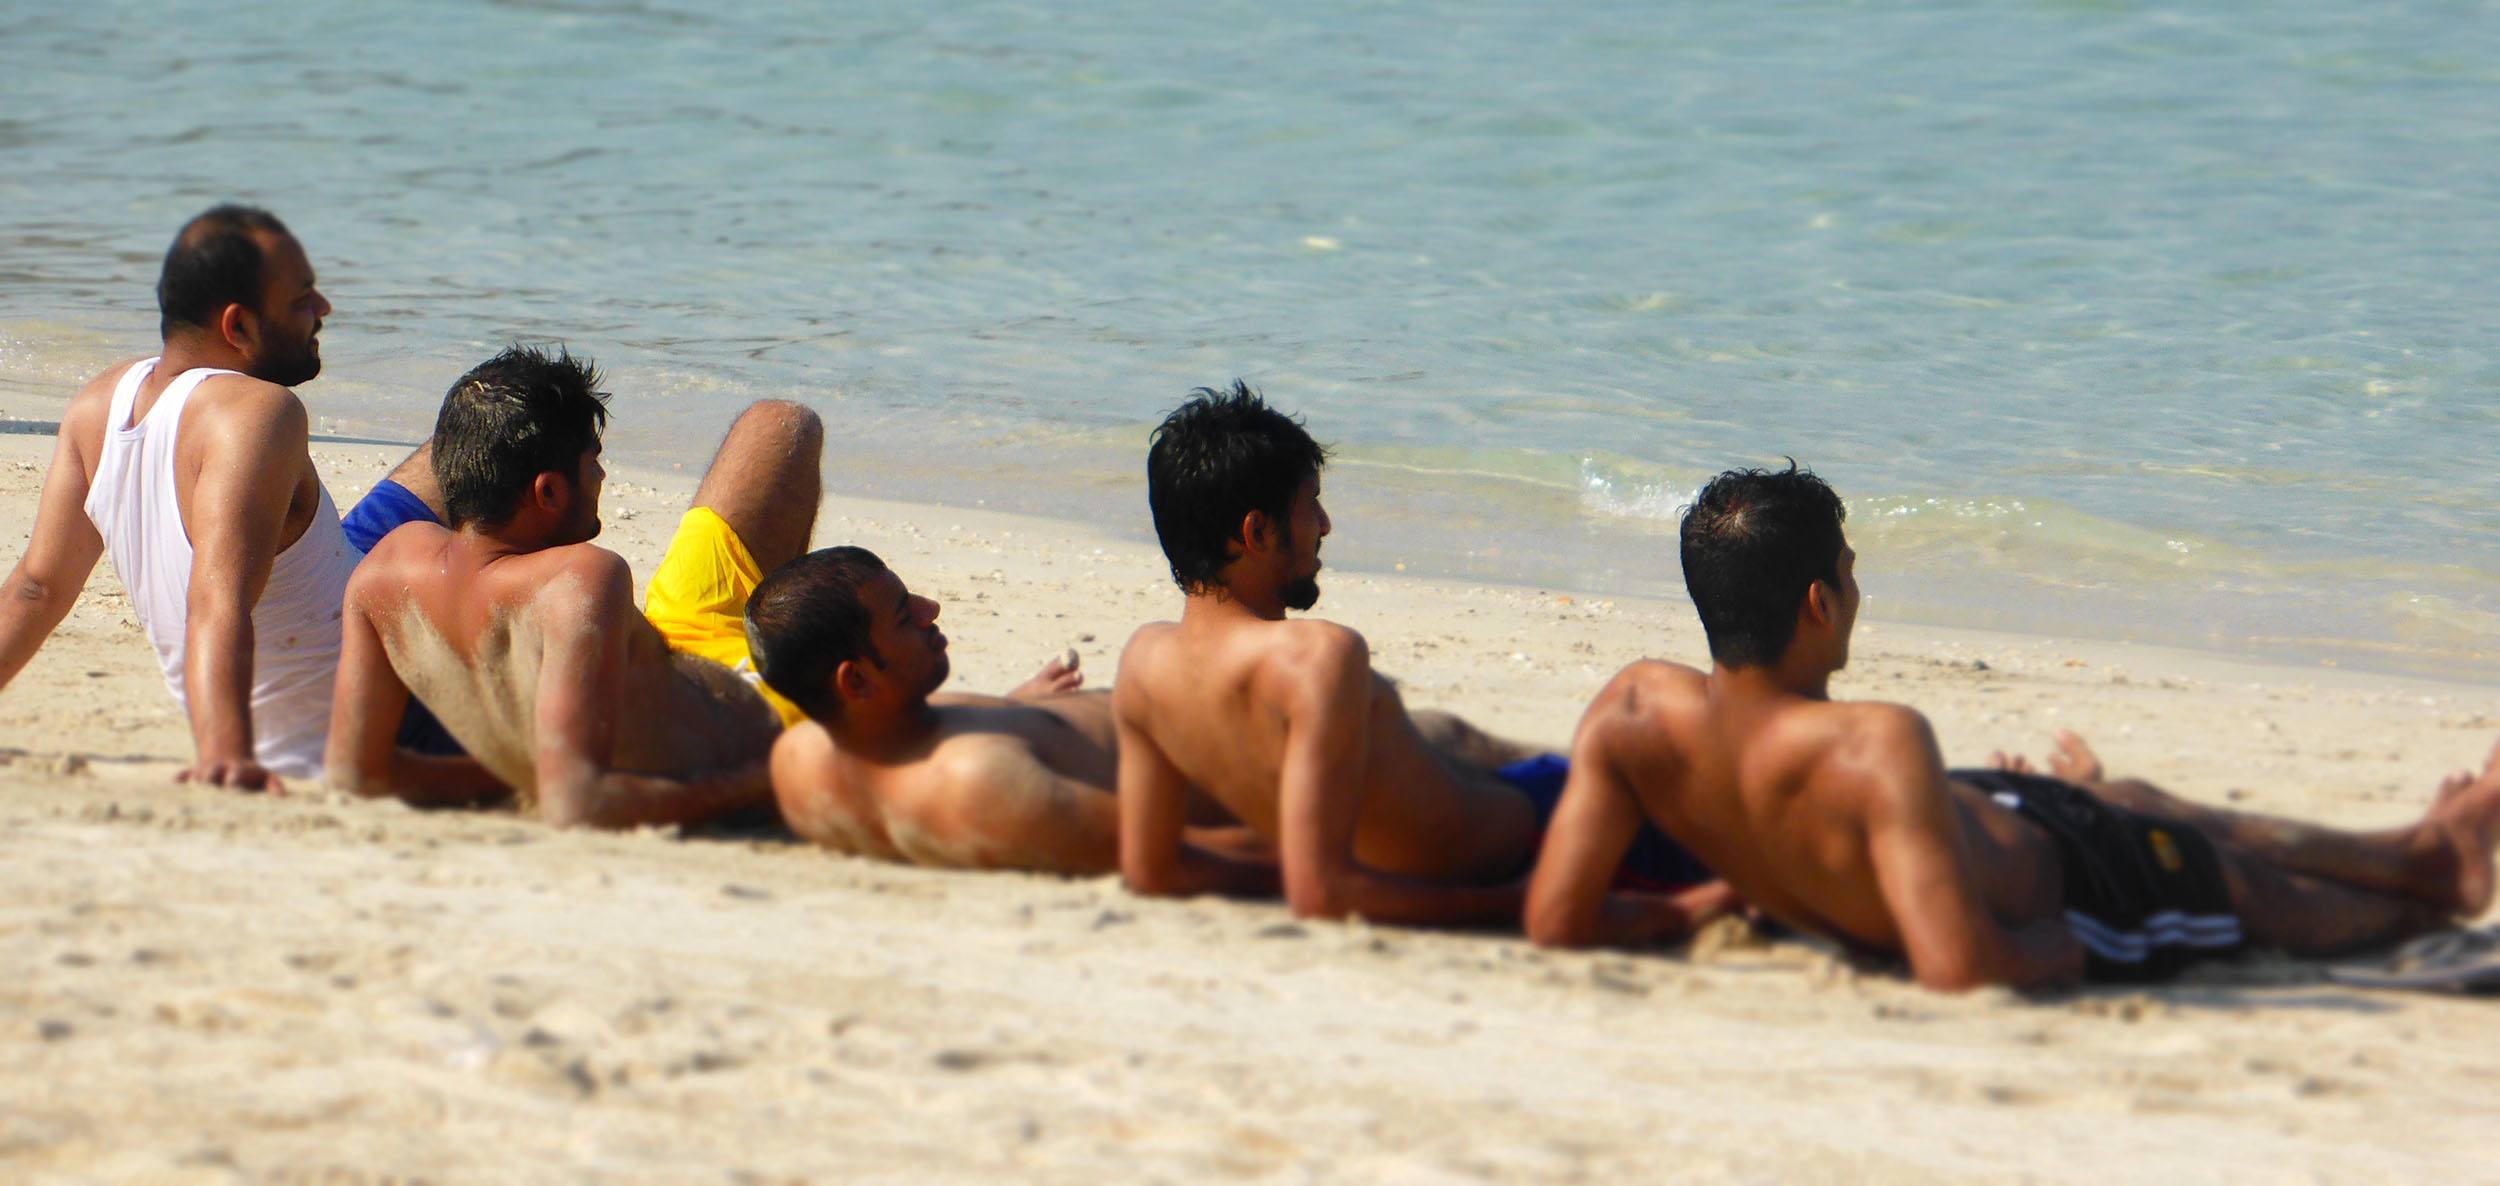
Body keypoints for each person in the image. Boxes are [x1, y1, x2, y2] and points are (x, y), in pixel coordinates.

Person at [1523, 463, 2500, 989]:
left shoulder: (1631, 711)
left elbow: (1555, 920)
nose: (1858, 591)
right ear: (1821, 600)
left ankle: (2419, 850)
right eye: (1852, 572)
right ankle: (2422, 894)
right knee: (2235, 889)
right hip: (2087, 890)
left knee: (2131, 798)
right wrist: (2060, 946)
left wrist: (1689, 907)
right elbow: (1962, 967)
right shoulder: (1873, 741)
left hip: (1992, 818)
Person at [1112, 383, 1721, 928]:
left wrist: (1286, 871)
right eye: (1310, 506)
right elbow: (1321, 895)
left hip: (1507, 798)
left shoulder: (1145, 663)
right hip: (1541, 836)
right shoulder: (1314, 658)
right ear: (1256, 533)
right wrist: (1512, 902)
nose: (1324, 525)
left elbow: (1151, 868)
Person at [324, 344, 822, 828]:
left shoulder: (384, 571)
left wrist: (514, 779)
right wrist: (765, 779)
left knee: (777, 424)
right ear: (549, 491)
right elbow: (579, 805)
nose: (602, 474)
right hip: (767, 716)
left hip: (662, 650)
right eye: (592, 460)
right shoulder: (579, 582)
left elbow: (356, 774)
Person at [0, 205, 357, 789]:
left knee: (449, 452)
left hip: (313, 636)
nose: (323, 310)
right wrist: (227, 754)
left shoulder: (101, 403)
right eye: (302, 299)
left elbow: (38, 587)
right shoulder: (259, 413)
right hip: (368, 721)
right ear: (237, 327)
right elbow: (217, 600)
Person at [746, 546, 1269, 873]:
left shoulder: (807, 751)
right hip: (1248, 766)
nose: (932, 611)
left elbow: (901, 745)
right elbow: (1179, 854)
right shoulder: (978, 783)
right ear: (857, 680)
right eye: (906, 616)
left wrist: (1008, 710)